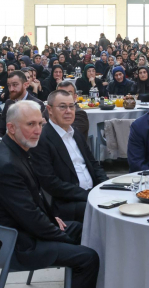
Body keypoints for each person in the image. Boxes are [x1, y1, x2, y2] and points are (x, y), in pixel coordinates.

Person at [0, 100, 104, 288]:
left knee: (85, 230)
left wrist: (52, 219)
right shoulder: (7, 164)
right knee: (87, 257)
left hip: (22, 231)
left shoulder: (18, 150)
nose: (37, 130)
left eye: (40, 123)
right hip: (16, 245)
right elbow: (30, 219)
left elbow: (32, 202)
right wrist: (60, 234)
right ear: (11, 128)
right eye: (30, 125)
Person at [30, 90, 107, 223]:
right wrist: (88, 195)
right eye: (62, 107)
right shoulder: (42, 139)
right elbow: (50, 182)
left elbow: (94, 164)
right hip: (67, 203)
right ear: (50, 110)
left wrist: (105, 186)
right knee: (105, 213)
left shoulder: (75, 133)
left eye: (72, 106)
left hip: (93, 193)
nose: (69, 111)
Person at [0, 71, 48, 137]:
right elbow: (1, 130)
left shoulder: (36, 104)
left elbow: (39, 133)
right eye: (9, 85)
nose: (11, 89)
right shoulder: (9, 103)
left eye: (15, 85)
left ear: (26, 85)